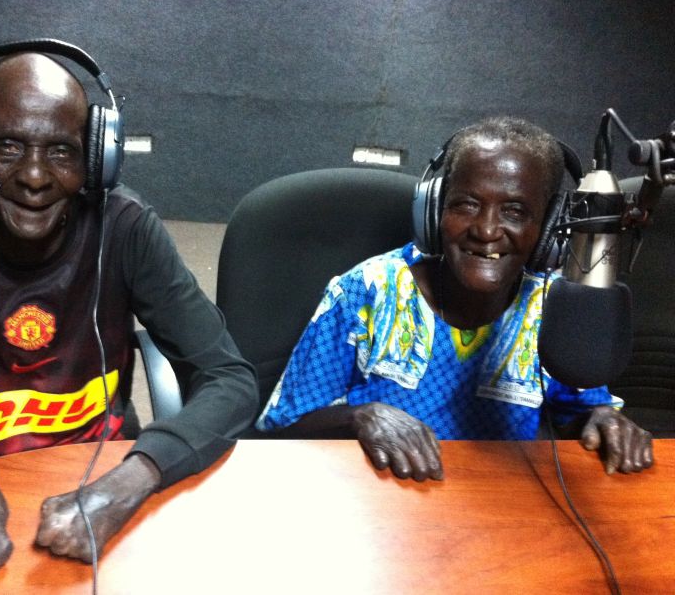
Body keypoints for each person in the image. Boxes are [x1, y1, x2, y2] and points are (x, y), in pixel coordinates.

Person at [0, 51, 258, 578]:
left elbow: (230, 378)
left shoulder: (125, 228)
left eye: (61, 151)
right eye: (9, 146)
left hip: (101, 473)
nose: (35, 177)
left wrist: (129, 482)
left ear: (95, 159)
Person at [256, 116, 654, 482]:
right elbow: (283, 428)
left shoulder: (553, 304)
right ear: (433, 209)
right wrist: (358, 418)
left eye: (515, 211)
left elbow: (577, 411)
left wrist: (602, 420)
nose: (485, 230)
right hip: (373, 509)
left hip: (498, 508)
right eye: (466, 204)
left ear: (550, 228)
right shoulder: (365, 292)